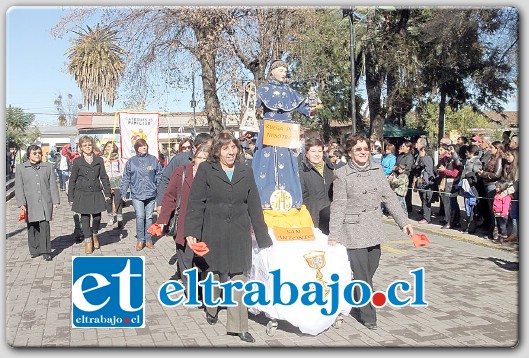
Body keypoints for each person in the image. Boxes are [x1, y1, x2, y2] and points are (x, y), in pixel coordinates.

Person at [184, 131, 273, 343]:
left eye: (233, 147)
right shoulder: (206, 170)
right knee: (213, 274)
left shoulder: (246, 171)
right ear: (217, 151)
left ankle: (239, 326)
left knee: (238, 278)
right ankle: (211, 308)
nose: (231, 152)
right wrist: (192, 232)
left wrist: (262, 237)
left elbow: (254, 204)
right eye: (226, 148)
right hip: (212, 231)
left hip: (239, 233)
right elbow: (196, 203)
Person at [328, 134, 413, 330]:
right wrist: (334, 235)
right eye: (358, 149)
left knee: (369, 269)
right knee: (363, 275)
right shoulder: (342, 174)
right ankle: (368, 315)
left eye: (366, 148)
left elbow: (390, 197)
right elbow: (338, 205)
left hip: (373, 227)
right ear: (350, 152)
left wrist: (403, 222)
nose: (363, 152)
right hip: (352, 229)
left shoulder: (377, 170)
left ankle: (356, 295)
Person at [252, 59, 318, 209]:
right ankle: (264, 198)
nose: (283, 74)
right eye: (280, 71)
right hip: (269, 128)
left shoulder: (291, 91)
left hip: (287, 132)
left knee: (288, 160)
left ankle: (291, 198)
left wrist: (314, 106)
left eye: (285, 71)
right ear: (272, 72)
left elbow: (306, 109)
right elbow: (252, 103)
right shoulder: (264, 89)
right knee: (266, 159)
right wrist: (249, 93)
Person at [156, 143, 212, 292]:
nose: (201, 161)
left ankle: (202, 290)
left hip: (205, 224)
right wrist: (162, 221)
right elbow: (170, 197)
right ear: (193, 158)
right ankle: (191, 290)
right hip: (184, 223)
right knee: (186, 259)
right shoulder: (181, 172)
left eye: (205, 158)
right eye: (199, 157)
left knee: (202, 259)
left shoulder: (213, 174)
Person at [15, 145, 60, 261]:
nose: (37, 155)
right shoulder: (21, 168)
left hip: (45, 201)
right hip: (30, 202)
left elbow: (52, 185)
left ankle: (46, 251)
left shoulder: (48, 167)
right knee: (32, 226)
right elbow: (19, 187)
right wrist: (21, 203)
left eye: (39, 153)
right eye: (34, 153)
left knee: (44, 225)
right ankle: (34, 249)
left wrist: (55, 200)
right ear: (29, 155)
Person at [68, 136, 111, 255]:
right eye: (85, 145)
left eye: (89, 145)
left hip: (96, 192)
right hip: (82, 193)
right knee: (85, 218)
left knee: (97, 217)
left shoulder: (99, 160)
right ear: (81, 148)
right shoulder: (77, 162)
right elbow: (72, 180)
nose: (87, 147)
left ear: (92, 146)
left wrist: (107, 192)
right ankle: (88, 241)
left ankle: (95, 235)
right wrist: (71, 197)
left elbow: (103, 177)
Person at [121, 138, 163, 251]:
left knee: (149, 217)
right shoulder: (131, 161)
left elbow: (159, 175)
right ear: (137, 148)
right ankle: (140, 240)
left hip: (151, 193)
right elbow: (126, 177)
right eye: (141, 146)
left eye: (145, 145)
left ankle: (149, 240)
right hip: (137, 194)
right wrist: (124, 191)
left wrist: (159, 189)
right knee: (140, 216)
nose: (144, 147)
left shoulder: (153, 160)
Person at [156, 133, 213, 214]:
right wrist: (161, 203)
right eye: (209, 147)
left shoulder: (212, 160)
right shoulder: (180, 159)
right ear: (200, 145)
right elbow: (166, 179)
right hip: (181, 206)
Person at [299, 138, 334, 235]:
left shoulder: (331, 169)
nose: (317, 154)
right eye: (313, 151)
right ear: (306, 153)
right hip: (312, 218)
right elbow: (302, 197)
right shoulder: (302, 172)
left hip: (332, 218)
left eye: (319, 151)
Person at [477, 141, 504, 239]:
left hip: (493, 185)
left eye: (492, 147)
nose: (490, 149)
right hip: (487, 184)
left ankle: (496, 231)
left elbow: (497, 174)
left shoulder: (499, 159)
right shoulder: (491, 158)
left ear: (497, 149)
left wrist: (484, 174)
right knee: (490, 209)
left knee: (495, 209)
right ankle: (492, 228)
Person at [436, 144, 461, 229]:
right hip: (446, 181)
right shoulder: (447, 160)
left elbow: (455, 173)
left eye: (451, 150)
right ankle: (449, 219)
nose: (448, 152)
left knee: (452, 203)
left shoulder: (456, 161)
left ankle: (452, 221)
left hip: (453, 183)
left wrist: (445, 170)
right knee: (448, 202)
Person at [458, 144, 482, 233]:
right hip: (466, 186)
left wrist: (469, 177)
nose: (466, 153)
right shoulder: (467, 161)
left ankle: (471, 227)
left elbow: (477, 174)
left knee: (472, 207)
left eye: (467, 152)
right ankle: (468, 225)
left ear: (471, 152)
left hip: (472, 187)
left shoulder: (477, 161)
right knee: (467, 206)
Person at [101, 141, 124, 228]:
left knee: (118, 199)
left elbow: (121, 169)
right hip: (107, 180)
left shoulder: (118, 158)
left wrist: (121, 177)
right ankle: (110, 217)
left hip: (117, 179)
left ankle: (119, 217)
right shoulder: (102, 159)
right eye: (108, 146)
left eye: (111, 146)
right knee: (108, 200)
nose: (109, 148)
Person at [415, 145, 436, 224]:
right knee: (424, 200)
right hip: (423, 182)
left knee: (426, 200)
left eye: (422, 151)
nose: (420, 153)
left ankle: (427, 218)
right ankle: (425, 215)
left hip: (426, 183)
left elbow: (428, 170)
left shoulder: (426, 158)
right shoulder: (426, 161)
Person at [502, 148, 518, 242]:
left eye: (509, 155)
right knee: (513, 214)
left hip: (516, 193)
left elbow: (516, 184)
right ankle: (514, 233)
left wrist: (506, 192)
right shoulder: (510, 167)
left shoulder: (518, 168)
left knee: (515, 215)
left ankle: (515, 234)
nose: (506, 157)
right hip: (511, 193)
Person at [492, 180, 512, 244]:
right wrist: (494, 210)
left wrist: (503, 213)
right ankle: (498, 237)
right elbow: (495, 204)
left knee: (502, 226)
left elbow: (506, 205)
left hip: (502, 214)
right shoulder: (497, 195)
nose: (496, 189)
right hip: (497, 213)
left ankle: (504, 237)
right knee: (497, 225)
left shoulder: (506, 197)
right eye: (496, 187)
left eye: (498, 187)